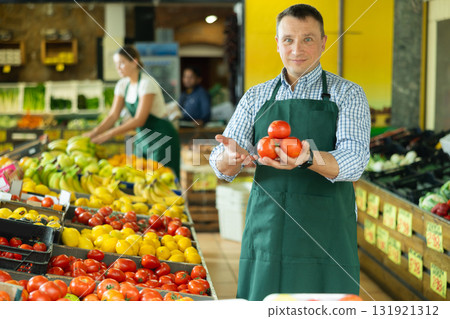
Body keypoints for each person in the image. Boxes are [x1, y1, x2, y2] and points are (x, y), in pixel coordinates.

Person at [209, 4, 370, 301]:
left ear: (323, 42)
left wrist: (309, 159)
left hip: (326, 231)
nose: (297, 49)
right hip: (267, 228)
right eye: (288, 39)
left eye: (308, 39)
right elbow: (221, 163)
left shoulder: (347, 94)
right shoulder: (256, 96)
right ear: (277, 43)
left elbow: (355, 159)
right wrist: (228, 159)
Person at [85, 45, 180, 177]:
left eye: (122, 63)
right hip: (143, 138)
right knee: (139, 178)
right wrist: (93, 133)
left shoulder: (147, 84)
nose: (118, 68)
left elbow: (139, 120)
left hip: (161, 138)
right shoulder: (122, 85)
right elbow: (113, 116)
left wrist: (108, 134)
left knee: (162, 180)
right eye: (116, 64)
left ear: (134, 62)